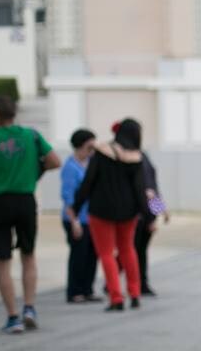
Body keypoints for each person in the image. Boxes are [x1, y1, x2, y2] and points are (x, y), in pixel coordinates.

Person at [0, 95, 61, 333]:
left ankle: (13, 316)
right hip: (26, 201)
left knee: (2, 261)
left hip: (1, 203)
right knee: (28, 255)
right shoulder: (31, 136)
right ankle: (29, 307)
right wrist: (35, 172)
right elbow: (55, 161)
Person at [73, 119, 146, 311]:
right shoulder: (139, 157)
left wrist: (76, 205)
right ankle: (136, 292)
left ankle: (116, 297)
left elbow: (88, 182)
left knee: (107, 253)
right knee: (128, 250)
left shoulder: (102, 153)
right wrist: (154, 213)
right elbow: (147, 187)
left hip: (102, 210)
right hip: (131, 212)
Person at [60, 128, 99, 303]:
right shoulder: (70, 167)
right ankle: (75, 290)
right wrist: (74, 220)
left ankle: (87, 289)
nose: (93, 148)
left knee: (92, 254)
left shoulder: (92, 162)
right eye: (90, 144)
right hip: (76, 218)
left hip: (92, 218)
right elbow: (68, 197)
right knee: (79, 254)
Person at [135, 152, 167, 296]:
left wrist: (160, 211)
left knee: (139, 251)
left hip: (146, 214)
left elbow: (151, 188)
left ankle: (141, 283)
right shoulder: (134, 158)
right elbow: (148, 190)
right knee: (133, 251)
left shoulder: (143, 157)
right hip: (136, 214)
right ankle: (138, 284)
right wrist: (152, 217)